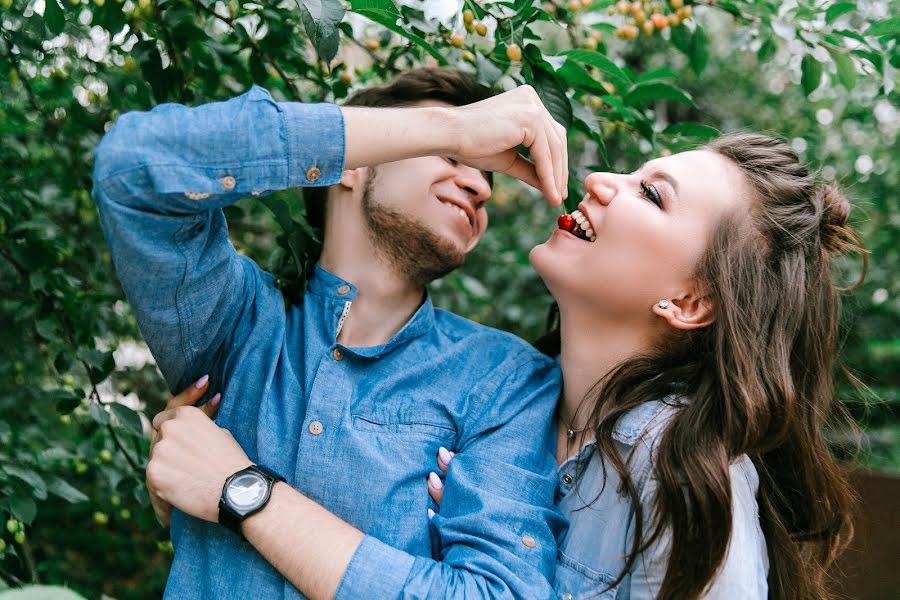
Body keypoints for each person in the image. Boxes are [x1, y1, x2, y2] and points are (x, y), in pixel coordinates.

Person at [92, 68, 571, 599]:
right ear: (351, 167)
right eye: (451, 155)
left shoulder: (504, 377)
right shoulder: (235, 324)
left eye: (487, 176)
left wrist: (240, 490)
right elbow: (132, 167)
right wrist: (452, 126)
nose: (481, 185)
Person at [426, 133, 864, 599]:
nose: (597, 181)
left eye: (652, 194)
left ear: (688, 302)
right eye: (635, 175)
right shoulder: (499, 391)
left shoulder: (681, 471)